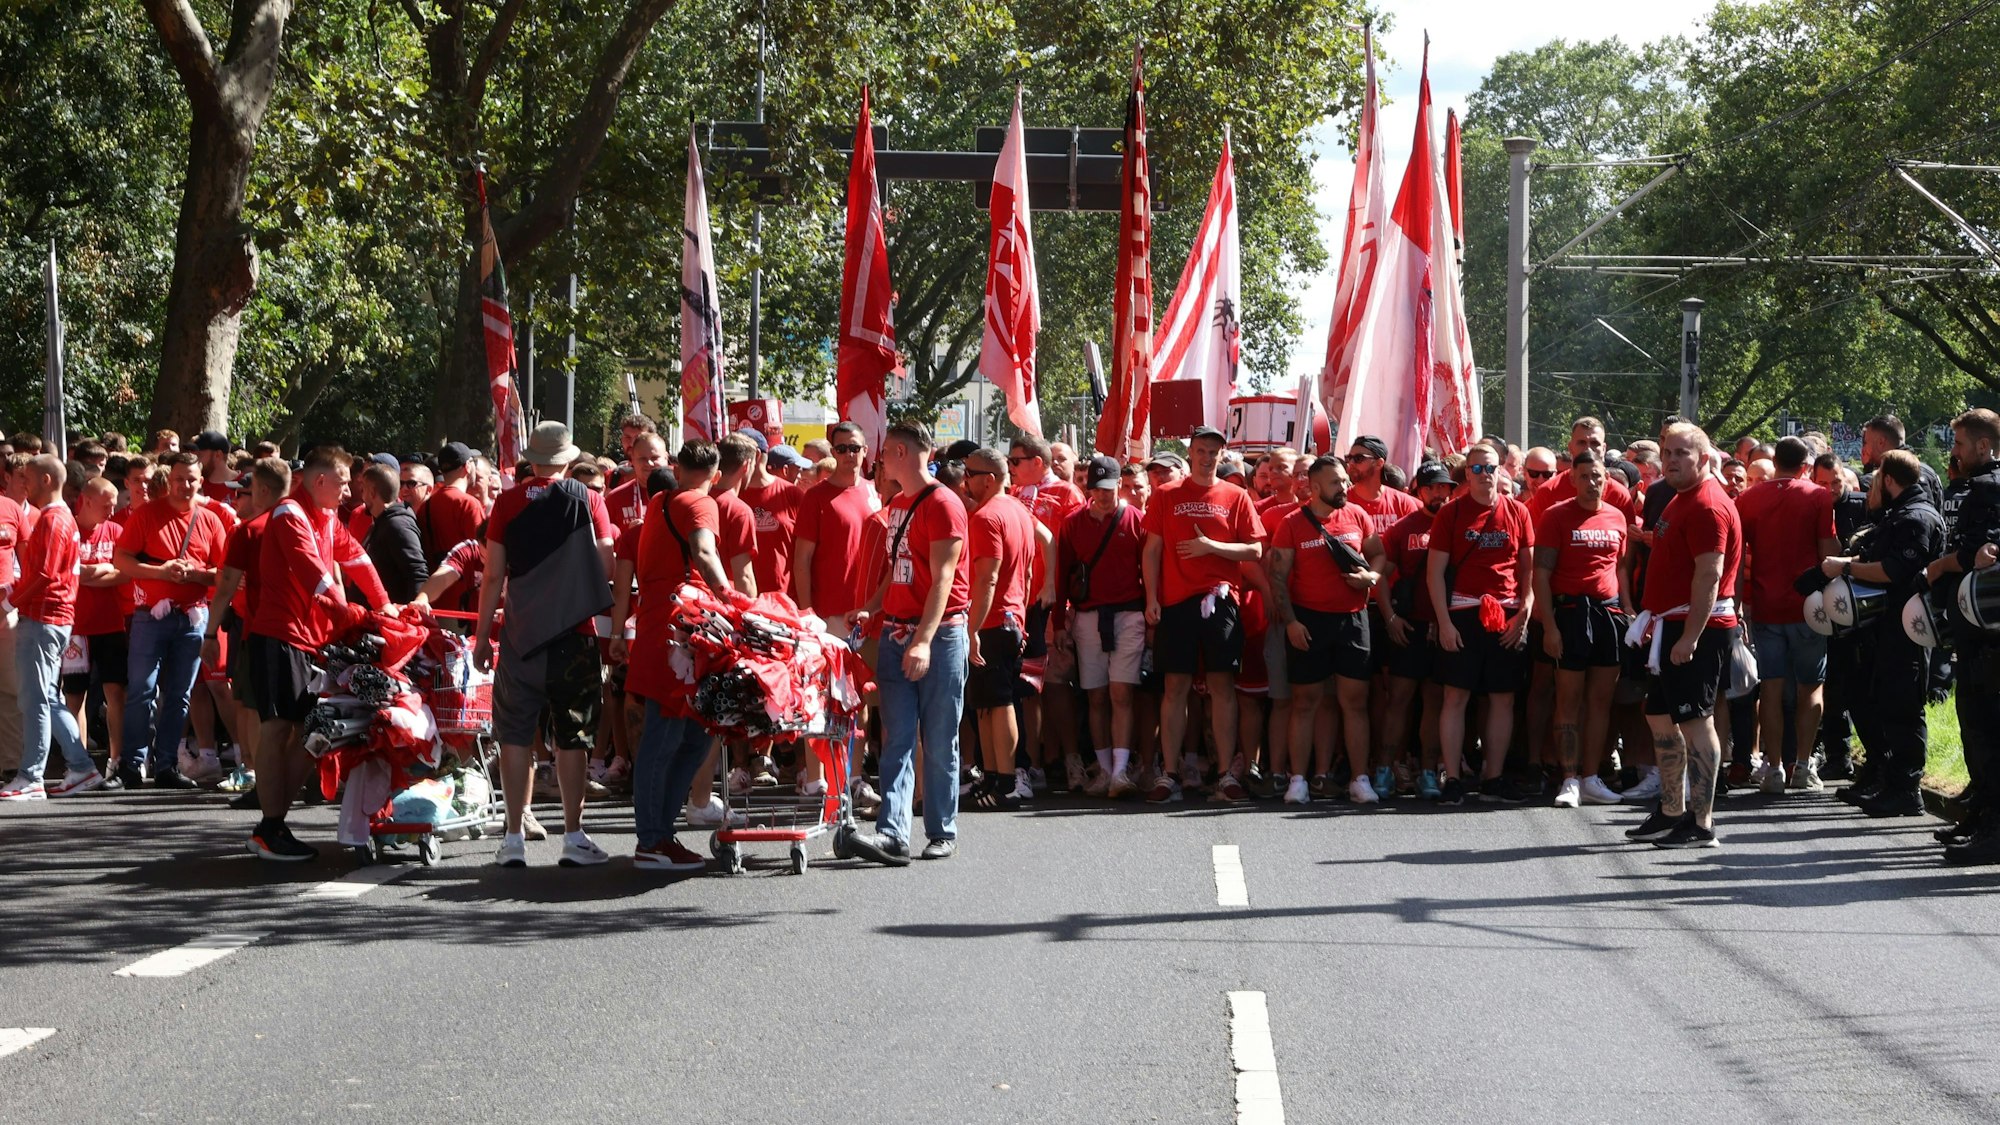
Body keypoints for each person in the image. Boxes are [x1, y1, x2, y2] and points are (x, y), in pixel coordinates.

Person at [474, 422, 618, 869]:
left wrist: (482, 637)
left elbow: (493, 576)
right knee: (573, 737)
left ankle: (514, 837)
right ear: (567, 460)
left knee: (515, 734)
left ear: (531, 459)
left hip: (520, 637)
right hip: (574, 635)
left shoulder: (506, 502)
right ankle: (573, 836)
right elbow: (608, 562)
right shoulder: (589, 499)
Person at [242, 448, 391, 860]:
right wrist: (355, 613)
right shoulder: (290, 513)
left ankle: (272, 824)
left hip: (309, 639)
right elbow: (316, 577)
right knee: (278, 728)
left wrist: (384, 606)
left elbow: (357, 559)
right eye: (344, 482)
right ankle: (270, 828)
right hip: (280, 636)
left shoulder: (327, 516)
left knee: (310, 734)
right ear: (320, 481)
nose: (350, 490)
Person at [849, 421, 970, 864]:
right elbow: (898, 566)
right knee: (897, 736)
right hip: (898, 631)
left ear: (900, 452)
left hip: (937, 636)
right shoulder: (898, 503)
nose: (878, 463)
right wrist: (873, 606)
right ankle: (893, 832)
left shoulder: (943, 503)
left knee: (939, 738)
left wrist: (922, 641)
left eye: (883, 455)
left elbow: (944, 578)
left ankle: (941, 830)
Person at [611, 445, 736, 871]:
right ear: (715, 476)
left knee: (692, 737)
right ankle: (652, 839)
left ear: (678, 468)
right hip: (679, 635)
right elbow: (704, 552)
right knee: (667, 739)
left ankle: (660, 833)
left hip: (666, 630)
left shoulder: (661, 501)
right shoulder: (700, 501)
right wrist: (732, 599)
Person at [1623, 423, 1742, 849]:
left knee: (1696, 721)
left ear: (1704, 458)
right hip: (1670, 626)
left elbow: (1709, 574)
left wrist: (1690, 637)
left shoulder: (1708, 504)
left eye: (1682, 454)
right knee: (1658, 715)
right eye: (1667, 452)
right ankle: (1672, 808)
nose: (1671, 460)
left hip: (1699, 628)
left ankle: (1702, 821)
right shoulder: (1681, 497)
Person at [1143, 425, 1266, 803]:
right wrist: (1152, 597)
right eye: (1200, 449)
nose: (1206, 456)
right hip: (1176, 602)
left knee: (1222, 689)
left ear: (1221, 454)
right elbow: (1152, 550)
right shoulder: (1165, 495)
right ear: (1190, 452)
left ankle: (1227, 773)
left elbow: (1255, 552)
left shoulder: (1236, 496)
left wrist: (1211, 546)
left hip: (1221, 601)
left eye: (1213, 450)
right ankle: (1170, 774)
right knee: (1174, 689)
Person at [1826, 450, 1943, 818]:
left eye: (1876, 479)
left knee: (1904, 707)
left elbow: (1895, 570)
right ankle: (1888, 780)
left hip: (1907, 626)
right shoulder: (1899, 514)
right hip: (1888, 626)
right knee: (1886, 702)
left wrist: (1847, 570)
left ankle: (1906, 789)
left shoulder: (1916, 517)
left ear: (1889, 480)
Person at [1268, 454, 1384, 805]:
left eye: (1345, 481)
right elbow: (1277, 576)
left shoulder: (1358, 516)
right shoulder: (1291, 523)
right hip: (1309, 620)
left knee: (1355, 702)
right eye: (1336, 482)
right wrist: (1291, 623)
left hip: (1353, 619)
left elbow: (1378, 554)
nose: (1345, 487)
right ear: (1315, 487)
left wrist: (1371, 577)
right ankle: (1298, 780)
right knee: (1304, 702)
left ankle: (1359, 780)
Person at [112, 451, 230, 789]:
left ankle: (166, 765)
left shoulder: (210, 520)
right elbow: (121, 560)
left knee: (179, 694)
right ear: (169, 480)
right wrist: (160, 571)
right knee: (141, 690)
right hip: (151, 615)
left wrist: (197, 574)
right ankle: (131, 767)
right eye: (179, 479)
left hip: (193, 617)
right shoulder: (147, 514)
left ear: (201, 481)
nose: (185, 485)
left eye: (191, 479)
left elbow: (224, 574)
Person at [1427, 441, 1535, 805]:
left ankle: (1494, 778)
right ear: (1467, 474)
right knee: (1455, 696)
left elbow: (1530, 577)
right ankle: (1454, 778)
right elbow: (1434, 575)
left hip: (1505, 615)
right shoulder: (1451, 514)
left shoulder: (1519, 512)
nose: (1484, 475)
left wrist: (1523, 616)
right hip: (1462, 613)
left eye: (1490, 468)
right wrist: (1444, 622)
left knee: (1503, 699)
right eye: (1477, 469)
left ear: (1501, 470)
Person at [1733, 436, 1839, 792]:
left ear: (1774, 461)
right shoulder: (1818, 496)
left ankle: (1774, 766)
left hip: (1765, 604)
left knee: (1772, 688)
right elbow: (1828, 551)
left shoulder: (1749, 498)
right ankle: (1804, 766)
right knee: (1811, 688)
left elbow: (1737, 554)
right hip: (1808, 606)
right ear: (1805, 465)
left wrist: (1735, 602)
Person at [1530, 451, 1633, 808]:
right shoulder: (1555, 516)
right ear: (1572, 479)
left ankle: (1591, 776)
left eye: (1599, 476)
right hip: (1570, 614)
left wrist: (1629, 610)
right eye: (1586, 476)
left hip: (1608, 614)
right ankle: (1569, 779)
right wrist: (1550, 626)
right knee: (1568, 701)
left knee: (1601, 701)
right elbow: (1540, 574)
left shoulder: (1617, 517)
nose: (1593, 482)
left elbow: (1620, 569)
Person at [0, 458, 104, 799]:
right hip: (52, 618)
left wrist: (8, 603)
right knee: (45, 696)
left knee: (35, 699)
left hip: (45, 619)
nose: (24, 484)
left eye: (28, 478)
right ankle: (81, 767)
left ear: (46, 479)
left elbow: (44, 575)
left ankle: (31, 777)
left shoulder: (52, 519)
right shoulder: (60, 518)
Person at [1054, 454, 1147, 798]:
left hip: (1128, 614)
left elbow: (1148, 572)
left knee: (1121, 693)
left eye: (1110, 488)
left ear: (1119, 485)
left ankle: (1121, 771)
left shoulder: (1137, 519)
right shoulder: (1073, 523)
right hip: (1087, 617)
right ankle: (1106, 770)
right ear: (1089, 488)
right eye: (1098, 489)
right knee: (1095, 696)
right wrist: (1058, 623)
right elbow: (1062, 573)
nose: (1105, 495)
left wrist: (1151, 614)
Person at [961, 447, 1045, 811]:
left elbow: (988, 578)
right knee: (988, 704)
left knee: (998, 702)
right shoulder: (1019, 511)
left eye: (969, 475)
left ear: (988, 479)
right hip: (1009, 617)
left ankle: (1006, 782)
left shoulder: (987, 516)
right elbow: (1025, 573)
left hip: (993, 620)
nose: (964, 482)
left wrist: (973, 627)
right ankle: (996, 777)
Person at [203, 458, 288, 800]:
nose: (237, 500)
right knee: (280, 711)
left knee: (252, 708)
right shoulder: (303, 524)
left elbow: (225, 587)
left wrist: (209, 635)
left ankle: (257, 775)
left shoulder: (248, 530)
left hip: (256, 630)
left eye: (245, 493)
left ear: (262, 493)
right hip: (292, 632)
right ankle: (270, 774)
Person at [1375, 461, 1455, 801]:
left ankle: (1427, 771)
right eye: (1432, 487)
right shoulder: (1402, 528)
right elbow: (1380, 576)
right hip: (1411, 625)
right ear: (1418, 490)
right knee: (1399, 700)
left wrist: (1447, 622)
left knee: (1435, 701)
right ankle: (1383, 769)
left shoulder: (1458, 523)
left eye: (1445, 487)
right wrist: (1390, 618)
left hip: (1446, 628)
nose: (1439, 493)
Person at [69, 478, 131, 784]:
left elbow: (124, 574)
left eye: (114, 503)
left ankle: (115, 761)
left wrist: (89, 573)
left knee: (116, 692)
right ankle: (78, 763)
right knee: (74, 696)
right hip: (75, 627)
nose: (112, 509)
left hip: (110, 624)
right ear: (87, 500)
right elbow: (68, 574)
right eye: (107, 504)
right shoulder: (69, 530)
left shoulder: (117, 531)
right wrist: (100, 569)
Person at [738, 435, 804, 601]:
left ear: (756, 456)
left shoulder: (792, 494)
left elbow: (807, 552)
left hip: (785, 599)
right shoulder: (731, 495)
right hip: (742, 599)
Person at [358, 463, 428, 604]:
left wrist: (411, 618)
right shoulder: (381, 523)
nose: (361, 495)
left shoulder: (398, 525)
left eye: (363, 489)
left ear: (372, 492)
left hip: (390, 620)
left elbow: (417, 574)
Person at [0, 465, 27, 781]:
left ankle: (10, 763)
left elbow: (28, 560)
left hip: (5, 608)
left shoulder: (10, 508)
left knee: (9, 687)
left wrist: (13, 600)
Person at [419, 441, 485, 568]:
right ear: (467, 467)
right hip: (466, 582)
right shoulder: (468, 504)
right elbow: (482, 552)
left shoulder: (425, 506)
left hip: (436, 583)